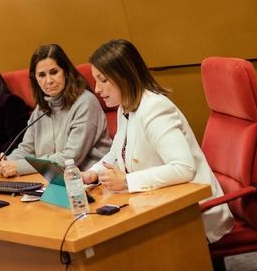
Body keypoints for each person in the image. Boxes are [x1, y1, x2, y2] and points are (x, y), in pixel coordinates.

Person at [82, 39, 234, 243]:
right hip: (161, 202)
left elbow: (183, 168)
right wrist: (92, 174)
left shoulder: (155, 108)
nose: (97, 89)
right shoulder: (125, 107)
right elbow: (116, 152)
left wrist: (126, 181)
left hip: (193, 211)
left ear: (124, 76)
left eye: (102, 80)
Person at [0, 44, 111, 177]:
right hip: (52, 179)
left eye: (54, 72)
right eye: (42, 75)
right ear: (35, 78)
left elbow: (70, 158)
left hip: (92, 180)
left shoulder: (86, 102)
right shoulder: (41, 108)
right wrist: (6, 161)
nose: (48, 81)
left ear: (66, 72)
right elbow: (26, 148)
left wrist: (19, 166)